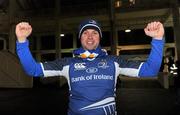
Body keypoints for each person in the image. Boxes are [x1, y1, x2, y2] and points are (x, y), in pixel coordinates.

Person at [15, 19, 164, 115]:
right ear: (80, 38)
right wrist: (22, 41)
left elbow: (150, 70)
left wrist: (157, 39)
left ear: (99, 37)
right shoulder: (67, 63)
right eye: (85, 33)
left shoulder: (114, 61)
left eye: (94, 32)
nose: (90, 36)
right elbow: (33, 69)